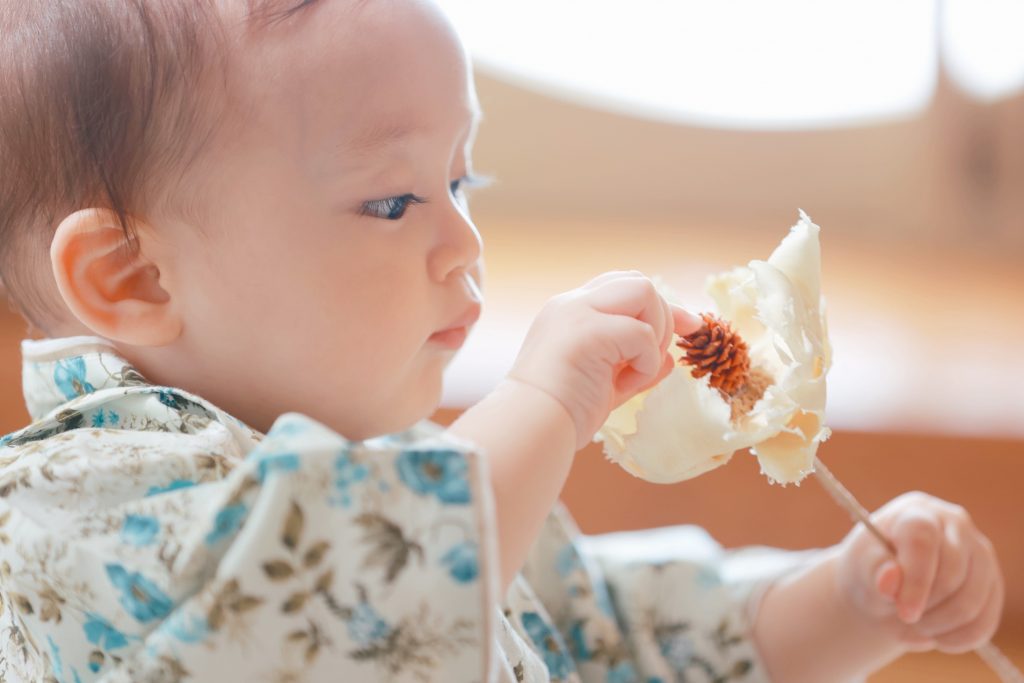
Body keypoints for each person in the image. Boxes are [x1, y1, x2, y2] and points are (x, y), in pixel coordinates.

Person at [0, 1, 1003, 681]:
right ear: (131, 277)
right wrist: (546, 404)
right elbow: (343, 605)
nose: (463, 243)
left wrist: (845, 598)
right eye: (393, 200)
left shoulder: (390, 462)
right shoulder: (66, 508)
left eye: (462, 182)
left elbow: (626, 635)